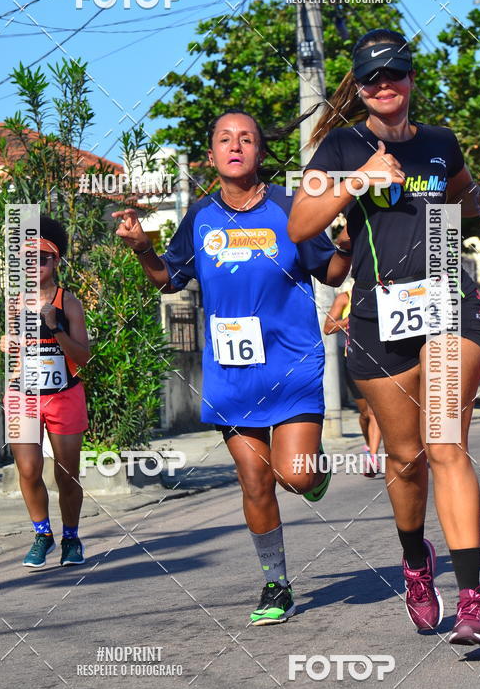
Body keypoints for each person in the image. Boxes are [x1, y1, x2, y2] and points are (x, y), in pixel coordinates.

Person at [288, 28, 480, 646]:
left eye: (396, 74)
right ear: (358, 88)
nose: (385, 85)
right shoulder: (338, 147)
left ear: (411, 80)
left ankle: (471, 600)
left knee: (445, 444)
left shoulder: (439, 145)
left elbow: (462, 202)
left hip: (446, 305)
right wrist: (356, 180)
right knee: (405, 462)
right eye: (371, 78)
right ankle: (416, 564)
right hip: (377, 319)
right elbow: (300, 225)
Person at [114, 109, 351, 625]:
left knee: (292, 476)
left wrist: (347, 248)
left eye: (247, 138)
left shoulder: (292, 208)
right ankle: (275, 584)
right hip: (232, 372)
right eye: (225, 139)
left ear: (261, 153)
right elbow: (168, 281)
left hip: (291, 365)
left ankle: (315, 475)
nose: (236, 145)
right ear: (213, 154)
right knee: (254, 482)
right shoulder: (200, 217)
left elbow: (329, 271)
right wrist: (142, 250)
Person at [2, 216, 91, 568]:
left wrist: (55, 329)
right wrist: (6, 342)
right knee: (27, 468)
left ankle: (71, 538)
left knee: (67, 474)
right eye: (27, 259)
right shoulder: (14, 303)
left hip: (63, 395)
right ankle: (43, 535)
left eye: (41, 258)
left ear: (55, 262)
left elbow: (83, 357)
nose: (34, 265)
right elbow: (11, 347)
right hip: (22, 394)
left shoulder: (68, 303)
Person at [324, 287, 382, 475]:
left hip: (381, 360)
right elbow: (328, 327)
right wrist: (352, 320)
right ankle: (368, 445)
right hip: (354, 360)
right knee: (365, 413)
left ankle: (372, 457)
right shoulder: (345, 298)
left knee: (375, 412)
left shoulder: (383, 293)